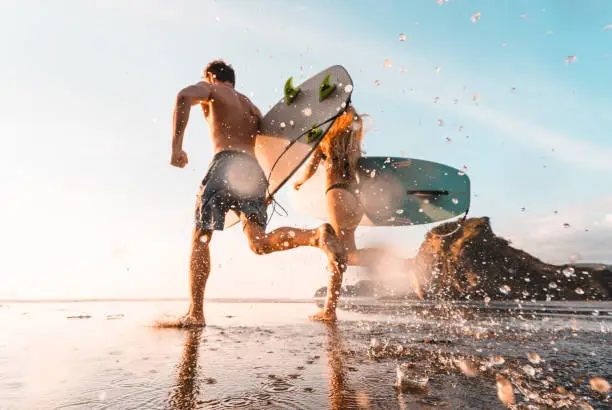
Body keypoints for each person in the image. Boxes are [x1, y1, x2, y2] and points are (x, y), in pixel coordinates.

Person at [167, 60, 346, 327]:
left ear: (210, 76)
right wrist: (269, 186)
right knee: (259, 242)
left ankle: (196, 312)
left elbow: (183, 96)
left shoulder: (211, 89)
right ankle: (315, 237)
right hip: (253, 171)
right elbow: (271, 150)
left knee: (201, 236)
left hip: (225, 163)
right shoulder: (252, 107)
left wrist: (176, 148)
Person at [293, 106, 423, 321]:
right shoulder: (353, 145)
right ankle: (406, 265)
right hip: (355, 202)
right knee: (347, 256)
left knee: (337, 256)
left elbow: (309, 170)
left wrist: (299, 182)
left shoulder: (325, 142)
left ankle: (329, 310)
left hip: (337, 198)